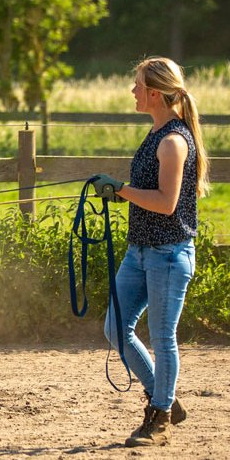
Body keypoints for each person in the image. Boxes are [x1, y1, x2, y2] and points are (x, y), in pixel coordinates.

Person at [92, 56, 208, 447]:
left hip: (168, 254)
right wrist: (120, 193)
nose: (133, 91)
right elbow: (147, 195)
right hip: (138, 252)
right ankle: (165, 395)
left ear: (154, 93)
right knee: (115, 328)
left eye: (138, 85)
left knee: (162, 336)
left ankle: (159, 415)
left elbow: (166, 203)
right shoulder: (156, 134)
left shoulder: (174, 141)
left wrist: (121, 189)